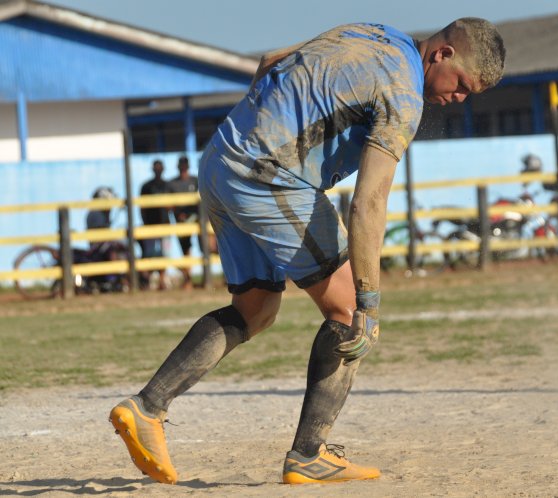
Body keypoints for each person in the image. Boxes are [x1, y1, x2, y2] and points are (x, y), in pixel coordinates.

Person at [109, 19, 506, 485]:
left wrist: (260, 130)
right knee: (349, 310)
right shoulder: (403, 93)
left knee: (255, 308)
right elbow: (369, 202)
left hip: (221, 160)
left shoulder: (372, 31)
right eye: (461, 85)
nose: (459, 99)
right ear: (441, 54)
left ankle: (146, 407)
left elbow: (270, 58)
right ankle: (308, 455)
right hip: (270, 177)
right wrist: (370, 302)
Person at [167, 156, 200, 289]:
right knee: (185, 250)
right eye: (181, 166)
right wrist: (178, 213)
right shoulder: (172, 184)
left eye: (184, 166)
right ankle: (188, 280)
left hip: (197, 221)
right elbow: (168, 204)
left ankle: (198, 279)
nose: (183, 169)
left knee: (208, 247)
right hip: (181, 221)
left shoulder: (196, 181)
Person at [139, 160, 170, 290]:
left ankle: (162, 280)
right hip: (150, 225)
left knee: (164, 253)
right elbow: (142, 207)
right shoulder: (146, 186)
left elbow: (171, 206)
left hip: (164, 224)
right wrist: (145, 222)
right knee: (149, 254)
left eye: (160, 168)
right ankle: (149, 281)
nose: (158, 170)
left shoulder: (167, 185)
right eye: (156, 168)